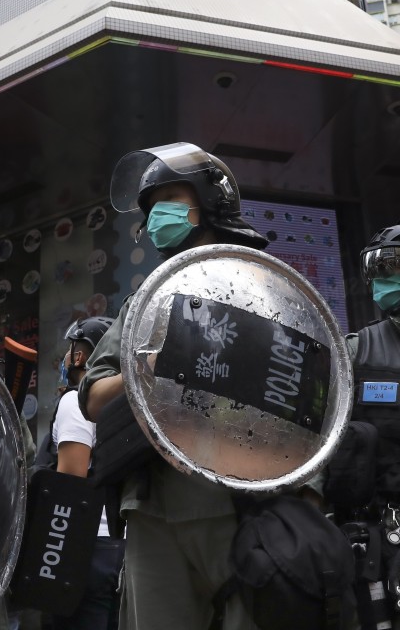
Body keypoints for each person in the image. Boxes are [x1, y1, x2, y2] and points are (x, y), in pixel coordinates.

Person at [77, 142, 328, 630]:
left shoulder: (266, 286)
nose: (157, 217)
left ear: (211, 199)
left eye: (171, 198)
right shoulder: (143, 302)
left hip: (245, 501)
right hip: (153, 506)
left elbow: (317, 396)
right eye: (151, 209)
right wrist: (153, 363)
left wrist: (308, 502)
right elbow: (93, 395)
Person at [328, 224, 400, 630]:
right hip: (374, 533)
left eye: (394, 265)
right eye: (377, 269)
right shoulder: (356, 351)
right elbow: (320, 440)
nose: (383, 278)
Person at [48, 316, 124, 630]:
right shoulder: (125, 402)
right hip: (121, 549)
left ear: (80, 356)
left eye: (71, 350)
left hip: (84, 548)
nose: (66, 358)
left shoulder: (72, 402)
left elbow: (70, 482)